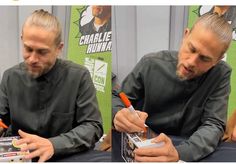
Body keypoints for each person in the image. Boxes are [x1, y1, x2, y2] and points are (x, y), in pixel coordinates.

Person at [112, 13, 233, 162]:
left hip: (188, 146)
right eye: (191, 49)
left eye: (205, 58)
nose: (191, 62)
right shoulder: (150, 64)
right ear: (185, 35)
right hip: (145, 143)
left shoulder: (220, 74)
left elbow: (214, 125)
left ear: (218, 60)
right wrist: (118, 114)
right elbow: (117, 97)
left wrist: (180, 153)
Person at [0, 9, 103, 162]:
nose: (32, 59)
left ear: (59, 49)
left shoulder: (79, 76)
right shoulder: (10, 77)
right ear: (22, 39)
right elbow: (2, 120)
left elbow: (93, 126)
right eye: (28, 49)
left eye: (42, 52)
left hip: (65, 155)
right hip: (22, 155)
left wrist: (53, 144)